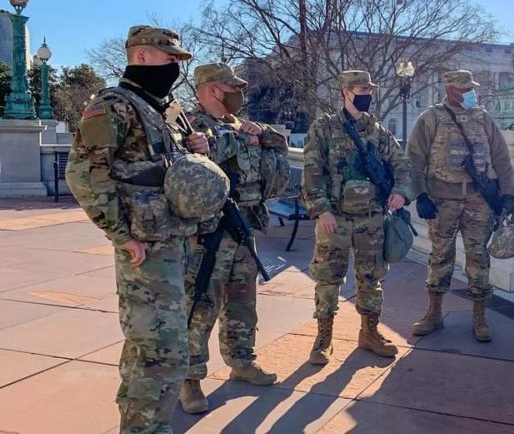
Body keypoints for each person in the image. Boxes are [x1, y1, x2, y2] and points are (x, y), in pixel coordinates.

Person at [66, 25, 213, 433]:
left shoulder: (159, 108)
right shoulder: (113, 105)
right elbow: (84, 174)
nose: (176, 68)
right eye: (171, 59)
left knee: (151, 348)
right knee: (160, 351)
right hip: (144, 246)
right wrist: (120, 233)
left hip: (173, 240)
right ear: (143, 56)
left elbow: (168, 169)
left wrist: (196, 147)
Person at [178, 63, 288, 414]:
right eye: (232, 87)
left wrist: (256, 134)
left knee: (243, 300)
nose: (239, 93)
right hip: (209, 233)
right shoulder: (192, 127)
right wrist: (234, 139)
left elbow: (279, 143)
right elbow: (196, 156)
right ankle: (190, 378)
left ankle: (241, 360)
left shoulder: (239, 124)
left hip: (244, 226)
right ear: (213, 89)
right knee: (201, 305)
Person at [303, 70, 411, 365]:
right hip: (334, 218)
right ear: (345, 93)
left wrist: (401, 191)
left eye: (369, 88)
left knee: (371, 277)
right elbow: (312, 170)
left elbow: (402, 163)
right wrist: (321, 208)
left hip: (370, 217)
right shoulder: (324, 127)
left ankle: (370, 333)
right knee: (328, 279)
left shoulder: (377, 130)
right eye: (361, 88)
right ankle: (323, 338)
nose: (367, 93)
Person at [406, 70, 514, 342]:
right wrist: (420, 195)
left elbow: (501, 158)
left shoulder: (484, 119)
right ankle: (433, 313)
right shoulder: (430, 118)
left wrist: (509, 194)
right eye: (464, 89)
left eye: (471, 88)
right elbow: (414, 159)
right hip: (442, 200)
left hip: (479, 200)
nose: (470, 93)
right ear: (450, 90)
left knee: (478, 256)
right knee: (440, 255)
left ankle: (479, 316)